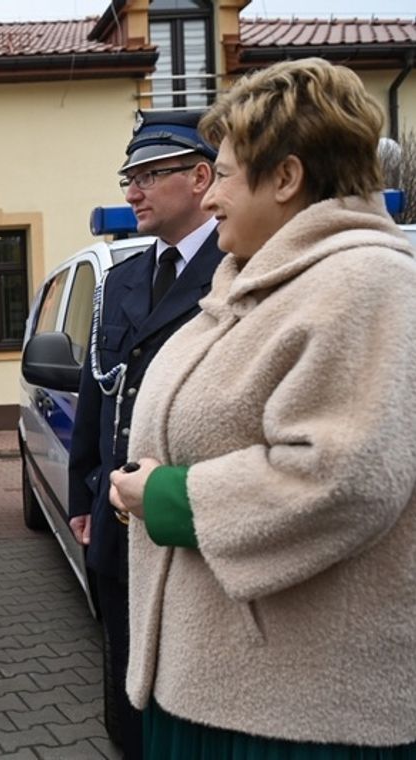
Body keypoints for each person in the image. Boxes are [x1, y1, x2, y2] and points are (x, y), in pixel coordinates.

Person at [109, 58, 416, 755]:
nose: (208, 195)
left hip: (294, 718)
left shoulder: (366, 284)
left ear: (286, 177)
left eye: (221, 173)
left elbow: (342, 478)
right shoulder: (253, 285)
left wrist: (164, 496)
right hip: (216, 688)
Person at [67, 109, 224, 757]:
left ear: (200, 177)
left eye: (149, 176)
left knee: (188, 691)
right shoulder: (122, 275)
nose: (132, 192)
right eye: (129, 177)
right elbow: (97, 392)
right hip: (115, 516)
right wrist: (83, 494)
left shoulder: (236, 265)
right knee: (124, 687)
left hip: (185, 516)